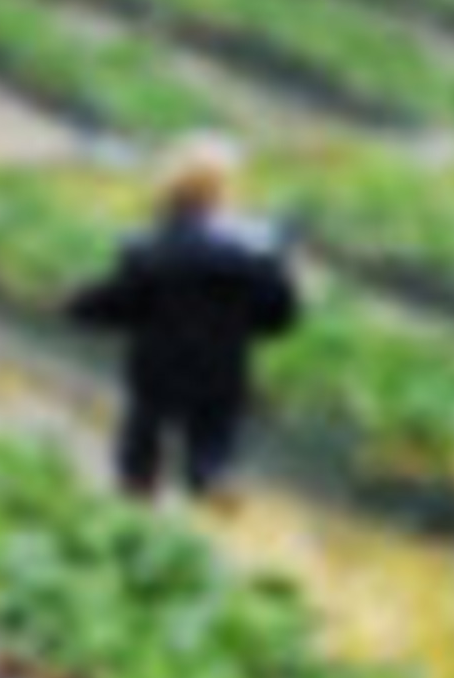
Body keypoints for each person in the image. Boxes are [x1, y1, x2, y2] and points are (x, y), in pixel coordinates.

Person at [63, 134, 302, 502]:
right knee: (212, 436)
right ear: (227, 192)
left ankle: (136, 490)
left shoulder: (150, 246)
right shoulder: (253, 252)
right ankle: (210, 476)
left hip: (157, 365)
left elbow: (122, 302)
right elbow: (279, 315)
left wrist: (74, 305)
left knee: (144, 434)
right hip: (222, 368)